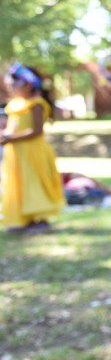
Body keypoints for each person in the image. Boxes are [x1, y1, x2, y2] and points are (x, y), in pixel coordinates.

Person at [0, 63, 65, 233]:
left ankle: (40, 218)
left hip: (33, 151)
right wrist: (6, 136)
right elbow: (11, 127)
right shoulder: (14, 105)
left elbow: (37, 131)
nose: (12, 88)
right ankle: (24, 219)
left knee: (34, 182)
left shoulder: (36, 104)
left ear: (27, 84)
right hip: (16, 152)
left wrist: (11, 137)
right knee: (18, 183)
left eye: (14, 85)